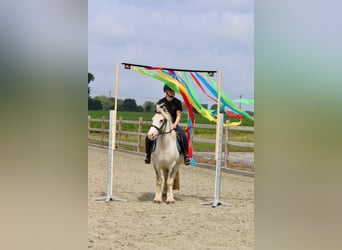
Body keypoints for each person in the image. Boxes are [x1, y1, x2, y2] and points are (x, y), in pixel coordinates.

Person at [145, 84, 190, 165]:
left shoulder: (177, 102)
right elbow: (158, 115)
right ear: (166, 91)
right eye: (170, 90)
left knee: (183, 136)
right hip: (162, 125)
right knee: (148, 136)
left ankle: (186, 155)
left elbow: (179, 115)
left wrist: (175, 124)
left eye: (173, 90)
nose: (172, 92)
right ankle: (148, 155)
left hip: (173, 124)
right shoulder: (160, 102)